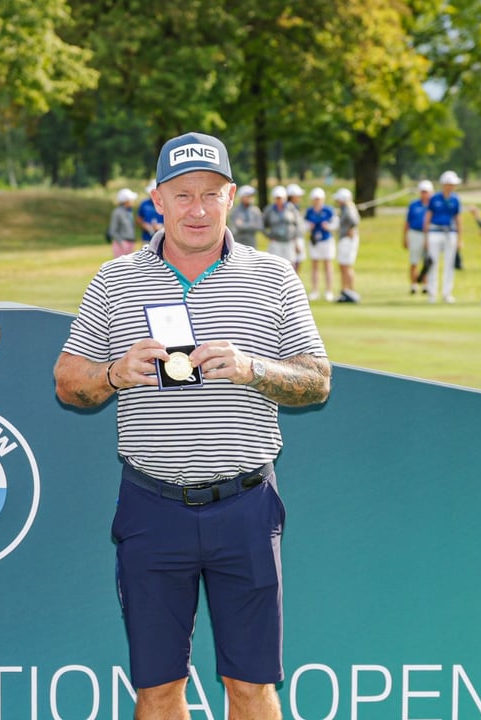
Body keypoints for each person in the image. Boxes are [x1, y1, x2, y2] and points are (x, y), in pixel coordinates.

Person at [53, 131, 330, 720]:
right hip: (152, 506)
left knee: (251, 686)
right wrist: (113, 372)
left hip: (246, 504)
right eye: (183, 195)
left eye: (210, 193)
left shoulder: (274, 276)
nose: (197, 209)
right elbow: (67, 381)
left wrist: (253, 368)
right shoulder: (115, 279)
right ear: (157, 200)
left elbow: (317, 379)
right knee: (157, 689)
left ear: (232, 196)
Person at [424, 170, 463, 304]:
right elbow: (428, 217)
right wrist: (426, 237)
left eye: (453, 184)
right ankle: (432, 293)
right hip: (434, 232)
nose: (451, 187)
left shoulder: (455, 199)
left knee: (449, 264)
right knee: (432, 263)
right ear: (444, 184)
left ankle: (447, 293)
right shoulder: (434, 198)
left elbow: (458, 219)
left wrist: (459, 238)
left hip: (450, 233)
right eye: (449, 184)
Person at [304, 187, 336, 301]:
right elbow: (304, 225)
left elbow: (335, 224)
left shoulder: (328, 210)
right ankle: (315, 291)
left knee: (327, 265)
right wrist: (309, 227)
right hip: (314, 241)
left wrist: (328, 227)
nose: (317, 201)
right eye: (315, 199)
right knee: (315, 265)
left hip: (326, 240)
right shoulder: (309, 211)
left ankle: (329, 291)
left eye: (319, 199)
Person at [403, 180, 432, 295]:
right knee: (414, 261)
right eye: (422, 192)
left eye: (426, 192)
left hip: (429, 235)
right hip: (415, 233)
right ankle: (414, 285)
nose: (424, 194)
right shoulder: (413, 205)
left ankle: (425, 285)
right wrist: (405, 237)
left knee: (427, 262)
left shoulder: (432, 205)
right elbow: (407, 222)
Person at [263, 185, 301, 268]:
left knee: (291, 265)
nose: (279, 200)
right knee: (275, 265)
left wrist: (296, 241)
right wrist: (269, 235)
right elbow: (263, 225)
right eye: (277, 198)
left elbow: (297, 225)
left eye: (281, 198)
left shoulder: (291, 208)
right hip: (276, 241)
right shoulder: (269, 210)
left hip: (289, 241)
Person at [333, 188, 361, 303]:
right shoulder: (345, 208)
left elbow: (355, 221)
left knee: (346, 266)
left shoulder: (348, 208)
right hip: (345, 239)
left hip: (347, 240)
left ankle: (349, 291)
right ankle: (345, 290)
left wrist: (351, 229)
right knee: (343, 265)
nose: (337, 201)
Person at [229, 184, 264, 248]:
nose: (251, 198)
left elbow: (259, 226)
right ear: (242, 197)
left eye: (251, 196)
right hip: (238, 244)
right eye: (248, 196)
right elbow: (236, 227)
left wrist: (242, 225)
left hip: (252, 243)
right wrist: (252, 225)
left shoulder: (256, 210)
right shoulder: (235, 211)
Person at [110, 188, 140, 257]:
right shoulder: (117, 212)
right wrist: (121, 242)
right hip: (121, 244)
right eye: (131, 199)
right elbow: (113, 230)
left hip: (130, 242)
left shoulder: (129, 211)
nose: (133, 201)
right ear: (126, 201)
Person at [286, 183, 306, 273]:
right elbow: (292, 227)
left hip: (298, 238)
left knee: (298, 262)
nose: (299, 197)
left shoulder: (295, 207)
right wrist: (296, 243)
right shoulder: (289, 208)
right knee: (294, 264)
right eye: (298, 195)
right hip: (294, 240)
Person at [138, 180, 165, 245]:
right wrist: (145, 226)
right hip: (147, 238)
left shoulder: (165, 204)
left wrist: (162, 226)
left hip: (162, 238)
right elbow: (139, 218)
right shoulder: (144, 204)